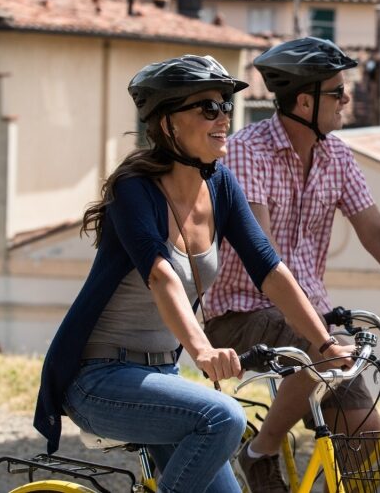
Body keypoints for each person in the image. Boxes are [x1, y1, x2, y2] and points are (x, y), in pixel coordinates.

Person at [33, 55, 350, 493]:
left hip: (161, 378)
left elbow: (270, 269)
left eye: (225, 106)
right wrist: (202, 350)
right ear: (167, 124)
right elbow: (160, 274)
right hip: (98, 380)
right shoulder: (135, 190)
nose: (223, 117)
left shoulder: (220, 184)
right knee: (225, 416)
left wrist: (324, 342)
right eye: (207, 108)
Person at [204, 37, 380, 492]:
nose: (347, 100)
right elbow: (260, 251)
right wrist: (315, 329)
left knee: (366, 433)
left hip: (311, 314)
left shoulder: (337, 154)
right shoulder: (247, 151)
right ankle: (260, 449)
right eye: (338, 92)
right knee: (316, 343)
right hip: (241, 313)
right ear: (304, 101)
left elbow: (374, 228)